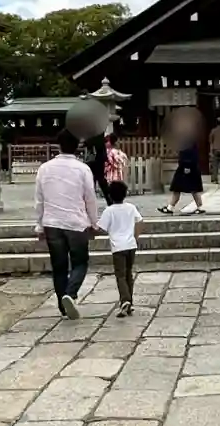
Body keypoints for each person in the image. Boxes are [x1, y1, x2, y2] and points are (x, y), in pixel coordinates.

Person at [35, 129, 101, 319]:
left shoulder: (44, 168)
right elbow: (90, 198)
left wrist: (39, 224)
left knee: (59, 267)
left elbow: (39, 200)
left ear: (58, 145)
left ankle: (63, 307)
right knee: (80, 262)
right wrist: (94, 223)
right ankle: (70, 294)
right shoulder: (83, 169)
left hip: (52, 222)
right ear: (77, 146)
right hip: (76, 222)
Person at [97, 177, 141, 315]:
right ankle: (129, 301)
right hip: (131, 245)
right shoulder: (131, 207)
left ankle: (125, 300)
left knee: (120, 275)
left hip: (118, 247)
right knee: (128, 273)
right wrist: (135, 237)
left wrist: (89, 231)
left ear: (109, 195)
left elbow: (101, 228)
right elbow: (140, 222)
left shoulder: (109, 211)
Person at [159, 135, 205, 214]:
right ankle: (170, 207)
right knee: (178, 188)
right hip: (186, 167)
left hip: (188, 168)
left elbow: (190, 154)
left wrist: (187, 166)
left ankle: (200, 207)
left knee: (192, 189)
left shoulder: (187, 141)